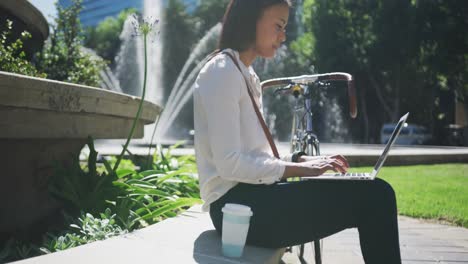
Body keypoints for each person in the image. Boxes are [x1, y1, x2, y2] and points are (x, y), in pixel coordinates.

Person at [193, 0, 402, 263]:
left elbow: (252, 155)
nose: (283, 37)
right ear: (251, 19)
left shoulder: (245, 73)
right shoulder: (222, 72)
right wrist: (299, 170)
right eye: (278, 26)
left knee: (373, 191)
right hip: (236, 210)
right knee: (375, 196)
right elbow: (229, 164)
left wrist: (299, 160)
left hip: (252, 200)